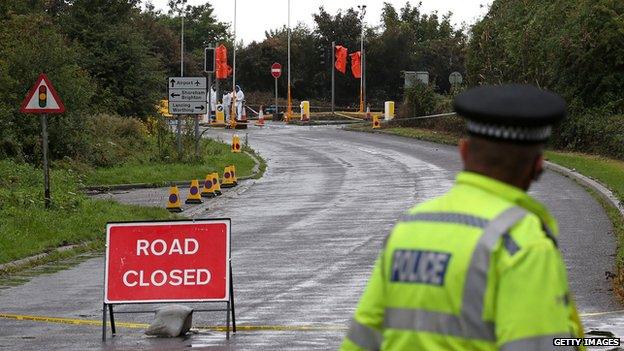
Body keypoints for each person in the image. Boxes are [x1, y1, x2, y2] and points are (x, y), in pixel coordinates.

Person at [341, 84, 585, 351]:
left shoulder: (409, 228)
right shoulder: (523, 244)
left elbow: (361, 339)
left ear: (464, 151)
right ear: (538, 167)